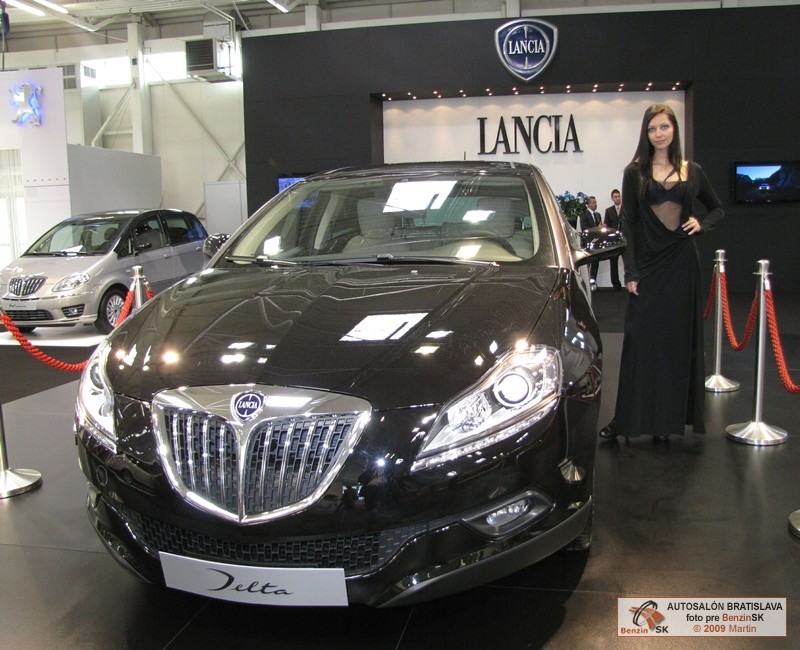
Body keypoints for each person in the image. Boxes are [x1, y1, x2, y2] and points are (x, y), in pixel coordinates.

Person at [599, 103, 724, 442]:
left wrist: (702, 224)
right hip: (648, 266)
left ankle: (666, 422)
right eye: (652, 128)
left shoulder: (692, 170)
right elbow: (628, 222)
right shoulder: (634, 172)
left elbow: (717, 208)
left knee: (674, 343)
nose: (658, 134)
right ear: (646, 133)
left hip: (682, 262)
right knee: (640, 341)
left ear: (674, 130)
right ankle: (626, 419)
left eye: (664, 127)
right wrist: (631, 271)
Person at [579, 195, 601, 290]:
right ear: (588, 204)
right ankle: (586, 284)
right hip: (587, 243)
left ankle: (593, 283)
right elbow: (584, 228)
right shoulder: (584, 214)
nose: (595, 204)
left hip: (596, 244)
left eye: (596, 202)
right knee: (587, 265)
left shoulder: (598, 215)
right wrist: (597, 229)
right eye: (593, 202)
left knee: (595, 264)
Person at [603, 189, 623, 289]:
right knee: (613, 262)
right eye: (615, 197)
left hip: (624, 239)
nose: (618, 198)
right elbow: (606, 225)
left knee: (628, 262)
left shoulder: (626, 209)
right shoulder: (609, 211)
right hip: (613, 240)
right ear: (612, 198)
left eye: (619, 196)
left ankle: (629, 282)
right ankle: (616, 284)